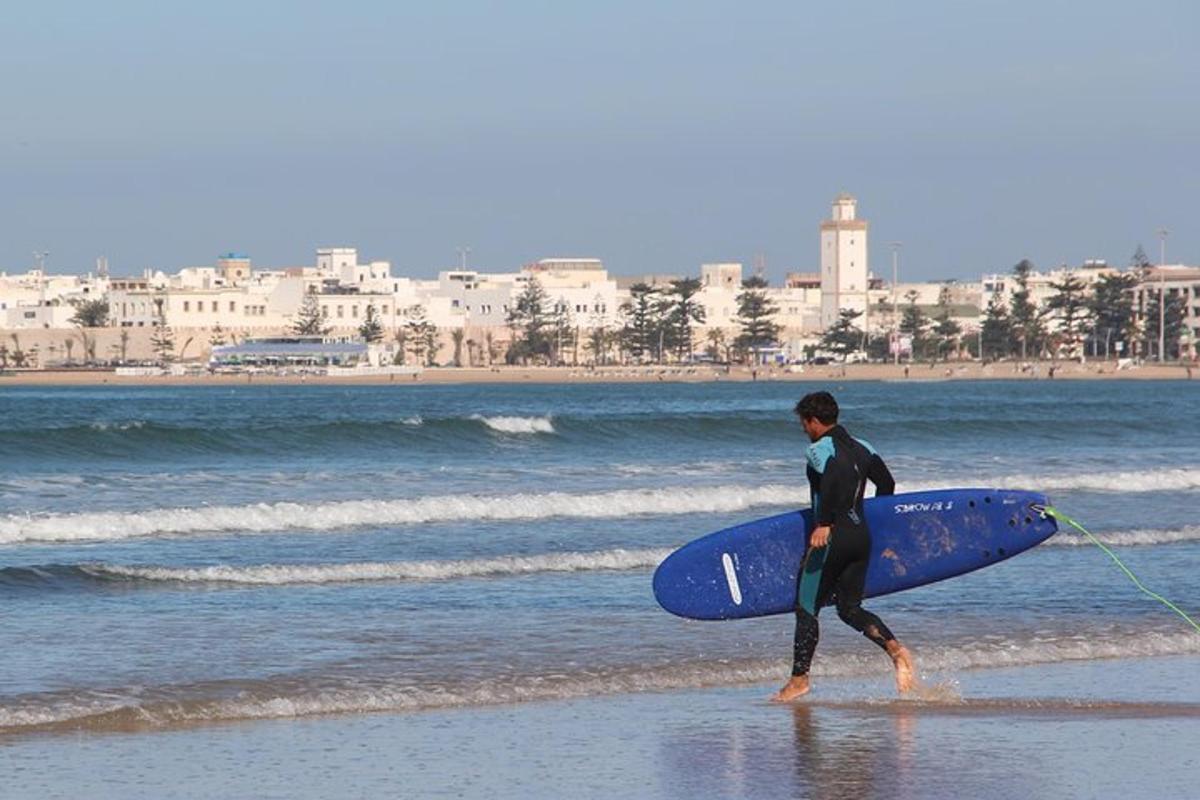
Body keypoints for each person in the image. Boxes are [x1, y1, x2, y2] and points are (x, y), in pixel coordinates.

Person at [772, 391, 915, 701]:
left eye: (803, 423)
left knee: (807, 607)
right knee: (849, 609)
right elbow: (887, 484)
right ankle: (896, 650)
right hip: (860, 536)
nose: (803, 429)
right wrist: (873, 522)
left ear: (813, 421)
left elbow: (834, 476)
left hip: (832, 538)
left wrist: (824, 523)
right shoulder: (864, 447)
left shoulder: (818, 450)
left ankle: (799, 680)